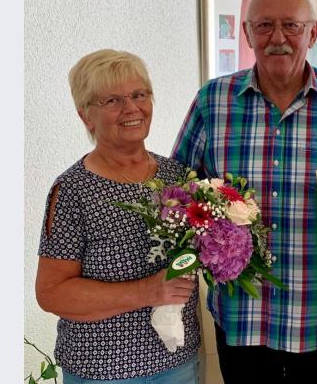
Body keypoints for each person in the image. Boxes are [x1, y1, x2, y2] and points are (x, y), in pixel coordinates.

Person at [172, 0, 317, 384]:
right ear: (248, 33)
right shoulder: (213, 101)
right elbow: (177, 197)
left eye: (291, 25)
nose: (278, 38)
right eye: (265, 26)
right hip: (241, 317)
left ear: (313, 33)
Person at [35, 49, 201, 384]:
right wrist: (146, 292)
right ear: (86, 116)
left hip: (177, 363)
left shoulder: (177, 177)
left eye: (139, 95)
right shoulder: (72, 190)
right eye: (112, 100)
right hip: (103, 371)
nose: (131, 108)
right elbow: (51, 292)